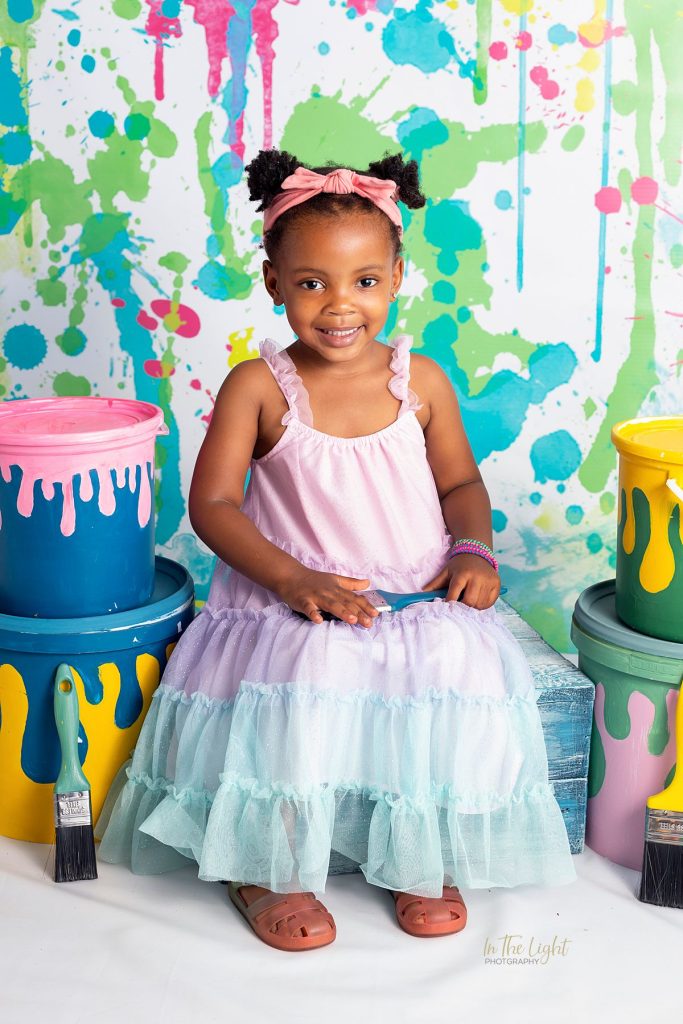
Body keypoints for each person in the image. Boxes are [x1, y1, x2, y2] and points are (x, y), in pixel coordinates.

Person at [96, 148, 576, 953]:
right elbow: (210, 505)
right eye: (311, 282)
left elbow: (460, 483)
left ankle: (416, 851)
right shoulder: (258, 385)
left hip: (413, 591)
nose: (338, 305)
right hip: (294, 590)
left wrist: (472, 551)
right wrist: (292, 579)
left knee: (450, 670)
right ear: (274, 281)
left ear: (393, 279)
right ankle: (268, 865)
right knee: (305, 677)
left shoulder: (417, 380)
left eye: (362, 282)